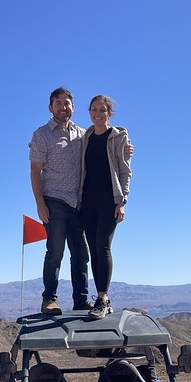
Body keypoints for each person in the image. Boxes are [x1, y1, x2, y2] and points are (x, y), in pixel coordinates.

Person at [29, 87, 91, 315]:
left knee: (81, 254)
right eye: (58, 103)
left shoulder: (83, 134)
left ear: (73, 107)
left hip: (78, 203)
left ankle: (81, 301)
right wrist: (40, 203)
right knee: (55, 251)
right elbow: (35, 171)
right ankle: (49, 299)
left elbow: (104, 144)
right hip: (53, 200)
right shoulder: (42, 134)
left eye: (67, 103)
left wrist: (125, 149)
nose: (63, 107)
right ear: (50, 107)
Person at [78, 95, 132, 320]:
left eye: (102, 110)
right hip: (87, 199)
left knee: (103, 245)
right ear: (89, 112)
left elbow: (125, 170)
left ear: (110, 113)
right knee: (93, 247)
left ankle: (103, 298)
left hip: (109, 199)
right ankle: (103, 299)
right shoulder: (85, 137)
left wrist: (122, 201)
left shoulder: (118, 137)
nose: (98, 114)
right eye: (94, 109)